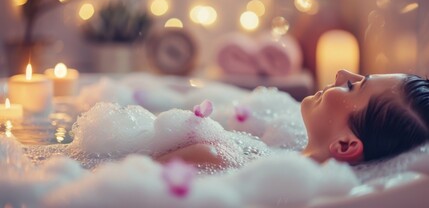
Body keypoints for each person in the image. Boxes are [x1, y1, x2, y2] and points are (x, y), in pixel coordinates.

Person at [157, 70, 429, 166]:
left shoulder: (212, 156)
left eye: (352, 87)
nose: (342, 73)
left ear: (345, 145)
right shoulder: (272, 156)